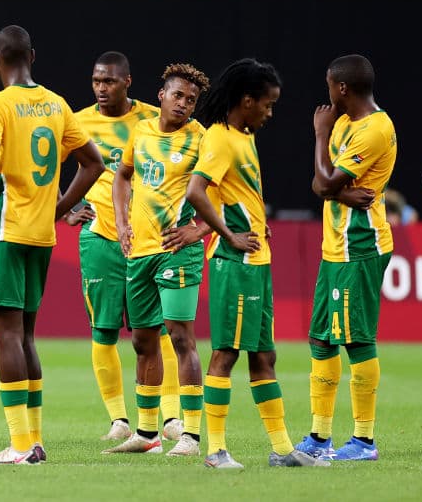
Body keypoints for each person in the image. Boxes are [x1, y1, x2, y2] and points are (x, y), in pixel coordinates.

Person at [0, 26, 105, 464]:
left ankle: (20, 444)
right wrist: (59, 206)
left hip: (4, 230)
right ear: (33, 56)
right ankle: (35, 440)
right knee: (25, 335)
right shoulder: (57, 103)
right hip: (41, 234)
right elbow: (94, 163)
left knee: (6, 335)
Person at [183, 59, 328, 469]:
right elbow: (197, 191)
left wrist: (256, 224)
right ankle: (215, 451)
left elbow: (234, 195)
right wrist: (227, 234)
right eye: (267, 104)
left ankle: (282, 450)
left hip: (257, 261)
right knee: (226, 354)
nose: (270, 112)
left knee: (265, 357)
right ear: (246, 101)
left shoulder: (244, 137)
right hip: (236, 262)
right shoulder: (220, 139)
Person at [105, 63, 256, 457]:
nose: (184, 104)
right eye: (178, 96)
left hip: (179, 251)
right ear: (161, 95)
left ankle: (190, 434)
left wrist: (198, 231)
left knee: (180, 337)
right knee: (142, 341)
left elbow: (221, 194)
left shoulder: (202, 139)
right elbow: (123, 176)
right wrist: (121, 221)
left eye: (191, 100)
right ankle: (147, 432)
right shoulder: (140, 132)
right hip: (140, 252)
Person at [64, 52, 188, 444]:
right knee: (103, 331)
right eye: (97, 80)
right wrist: (66, 208)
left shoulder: (152, 119)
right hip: (100, 237)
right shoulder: (79, 121)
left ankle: (169, 418)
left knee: (158, 331)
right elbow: (49, 165)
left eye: (110, 81)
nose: (102, 88)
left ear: (127, 82)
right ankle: (118, 419)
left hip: (148, 240)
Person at [295, 54, 397, 462]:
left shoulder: (375, 129)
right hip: (335, 246)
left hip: (361, 246)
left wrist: (319, 136)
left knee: (356, 340)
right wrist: (335, 191)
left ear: (341, 88)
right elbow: (320, 182)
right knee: (320, 339)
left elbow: (324, 182)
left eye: (328, 84)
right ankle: (319, 436)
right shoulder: (343, 123)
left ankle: (364, 441)